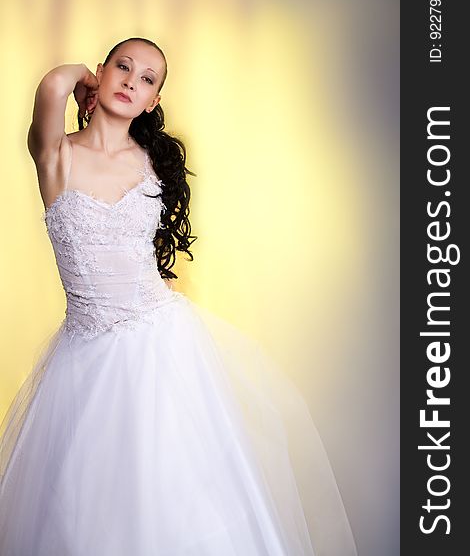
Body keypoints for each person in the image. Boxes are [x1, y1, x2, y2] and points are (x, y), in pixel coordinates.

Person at [0, 37, 357, 555]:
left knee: (179, 493)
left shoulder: (151, 164)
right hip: (84, 357)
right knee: (87, 509)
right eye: (121, 68)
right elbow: (53, 84)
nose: (130, 82)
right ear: (99, 75)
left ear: (153, 103)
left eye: (147, 79)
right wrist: (82, 77)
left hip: (161, 344)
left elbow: (141, 253)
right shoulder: (56, 156)